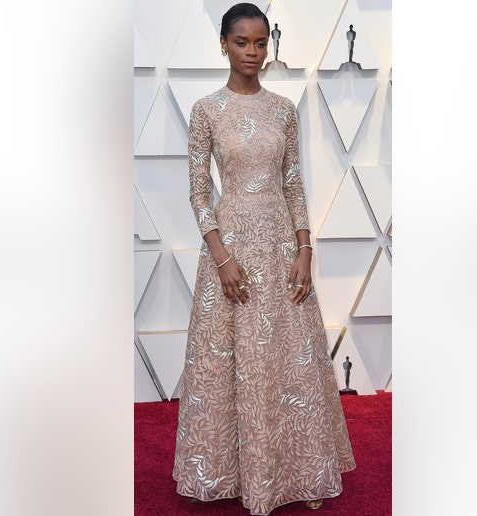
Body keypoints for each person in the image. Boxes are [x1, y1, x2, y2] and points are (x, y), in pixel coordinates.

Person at [172, 4, 356, 515]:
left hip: (279, 248)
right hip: (230, 251)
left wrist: (305, 250)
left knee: (287, 359)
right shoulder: (207, 110)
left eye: (259, 43)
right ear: (224, 45)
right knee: (232, 362)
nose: (252, 52)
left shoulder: (282, 110)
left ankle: (299, 469)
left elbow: (294, 181)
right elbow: (197, 193)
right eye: (241, 42)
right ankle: (236, 474)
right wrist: (222, 257)